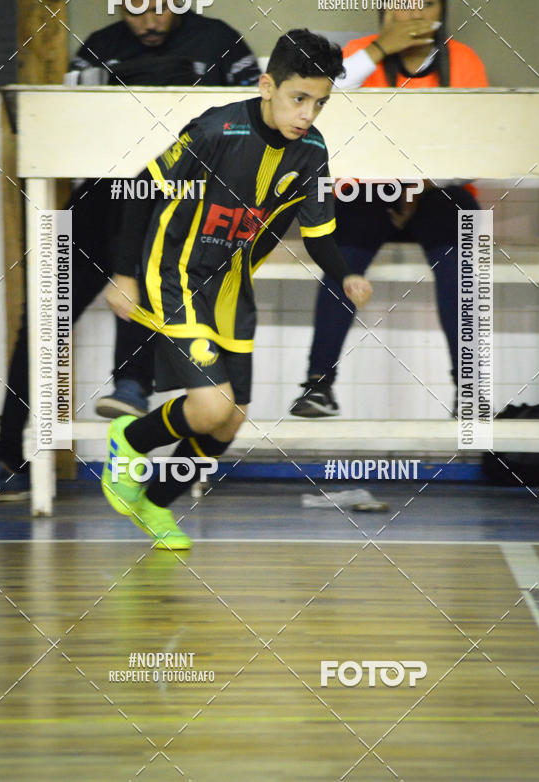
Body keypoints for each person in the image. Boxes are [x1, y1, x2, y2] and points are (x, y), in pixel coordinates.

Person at [0, 0, 261, 504]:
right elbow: (71, 134)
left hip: (189, 215)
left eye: (159, 4)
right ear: (116, 4)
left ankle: (136, 388)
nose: (150, 20)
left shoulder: (220, 43)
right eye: (134, 8)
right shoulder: (98, 50)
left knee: (155, 211)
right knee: (43, 313)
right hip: (106, 204)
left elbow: (253, 129)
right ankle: (10, 457)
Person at [101, 29, 373, 549]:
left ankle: (154, 504)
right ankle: (128, 440)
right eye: (299, 99)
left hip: (231, 287)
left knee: (231, 421)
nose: (308, 115)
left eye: (320, 104)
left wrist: (345, 274)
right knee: (210, 407)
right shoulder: (216, 130)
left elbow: (320, 235)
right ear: (268, 85)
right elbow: (139, 189)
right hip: (173, 274)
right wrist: (124, 274)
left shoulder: (312, 151)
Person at [290, 0, 488, 418]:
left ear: (442, 10)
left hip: (437, 194)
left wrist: (417, 185)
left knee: (462, 238)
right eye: (403, 2)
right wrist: (380, 48)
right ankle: (318, 384)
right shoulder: (361, 55)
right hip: (370, 193)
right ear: (383, 8)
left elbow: (474, 152)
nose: (416, 12)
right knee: (342, 247)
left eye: (427, 1)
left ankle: (469, 389)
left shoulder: (461, 60)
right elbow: (322, 100)